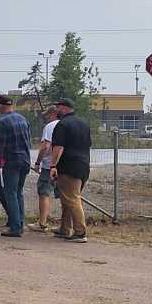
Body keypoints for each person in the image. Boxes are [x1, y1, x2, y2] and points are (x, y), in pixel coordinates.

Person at [49, 97, 92, 243]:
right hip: (83, 165)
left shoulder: (62, 124)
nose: (57, 110)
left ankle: (80, 232)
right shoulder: (84, 124)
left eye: (58, 107)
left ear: (65, 108)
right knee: (67, 198)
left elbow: (58, 147)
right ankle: (65, 228)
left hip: (68, 166)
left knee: (72, 199)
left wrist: (53, 165)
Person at [0, 95, 32, 237]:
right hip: (25, 159)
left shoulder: (2, 122)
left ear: (1, 106)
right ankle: (20, 223)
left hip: (11, 161)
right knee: (19, 192)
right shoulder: (23, 119)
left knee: (10, 192)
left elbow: (0, 145)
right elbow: (28, 141)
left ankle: (15, 227)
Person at [29, 105, 60, 232]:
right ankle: (67, 224)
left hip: (49, 165)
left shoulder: (50, 126)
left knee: (44, 193)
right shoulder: (65, 124)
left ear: (53, 114)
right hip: (62, 165)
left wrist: (38, 162)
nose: (46, 117)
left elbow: (45, 146)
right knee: (64, 195)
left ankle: (42, 223)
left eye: (47, 115)